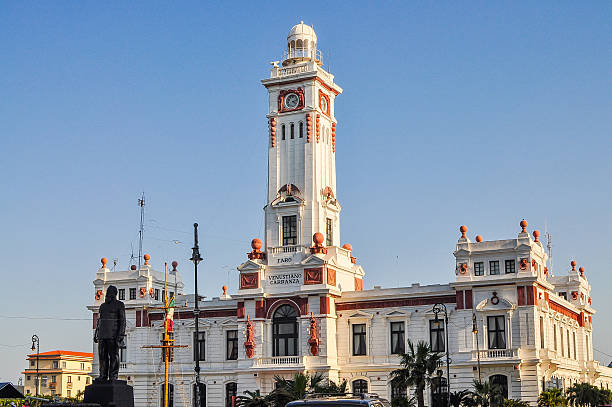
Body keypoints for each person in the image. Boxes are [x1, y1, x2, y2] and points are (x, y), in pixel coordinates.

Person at [94, 285, 126, 381]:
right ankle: (103, 375)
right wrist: (96, 333)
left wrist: (120, 335)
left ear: (115, 294)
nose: (109, 294)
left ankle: (113, 375)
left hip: (113, 335)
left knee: (113, 356)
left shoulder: (119, 305)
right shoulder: (102, 306)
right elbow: (99, 321)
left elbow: (122, 321)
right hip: (102, 335)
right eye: (108, 292)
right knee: (102, 356)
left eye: (111, 292)